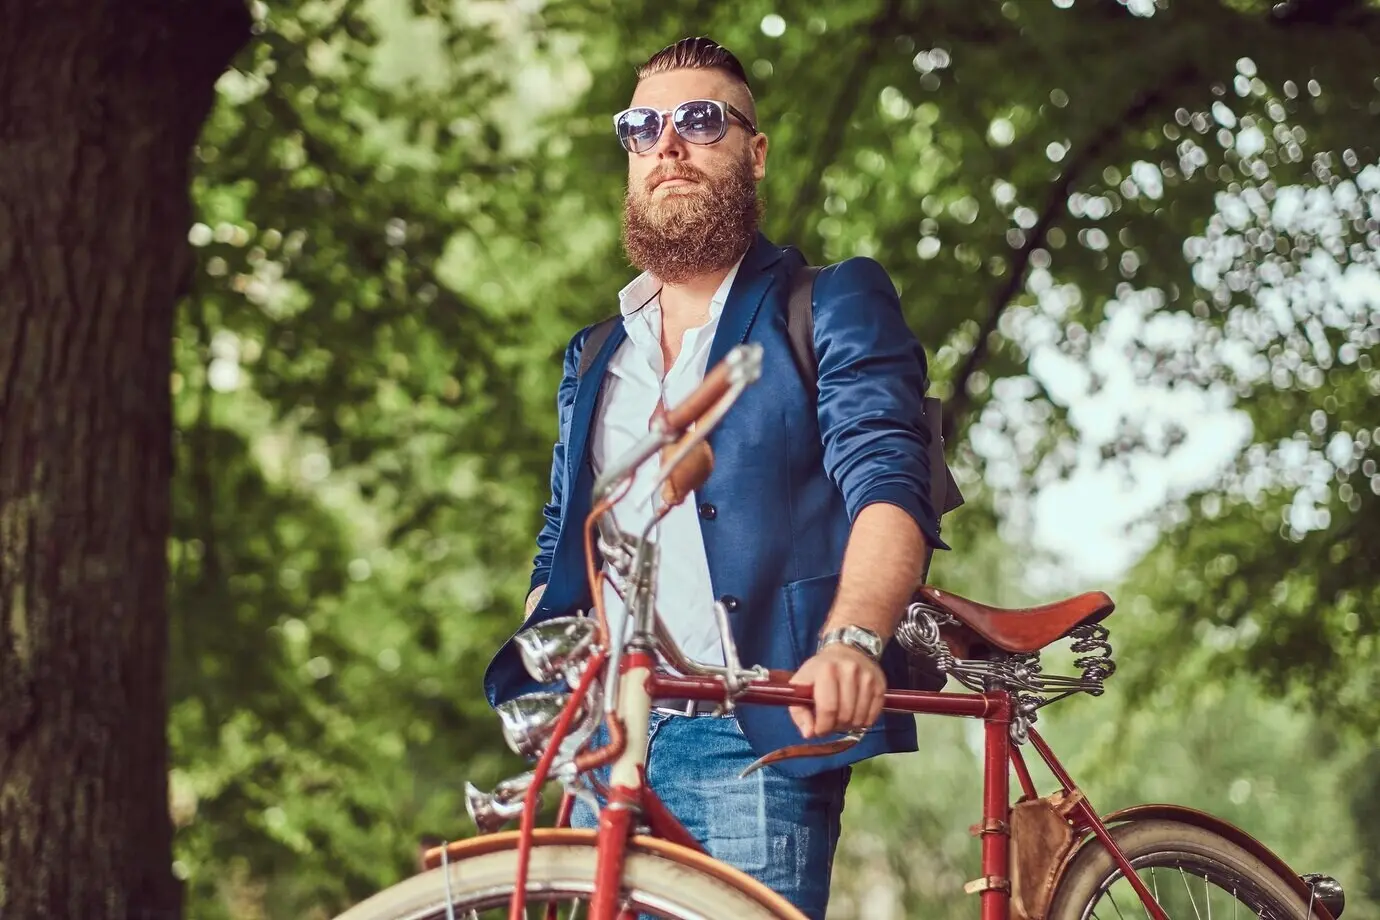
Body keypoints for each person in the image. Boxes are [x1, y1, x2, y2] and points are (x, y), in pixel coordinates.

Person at [482, 36, 947, 919]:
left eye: (701, 120)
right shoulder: (593, 358)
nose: (668, 144)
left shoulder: (831, 300)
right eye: (642, 126)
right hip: (605, 742)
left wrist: (851, 640)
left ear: (754, 151)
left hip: (750, 740)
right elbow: (563, 534)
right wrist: (555, 679)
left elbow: (889, 484)